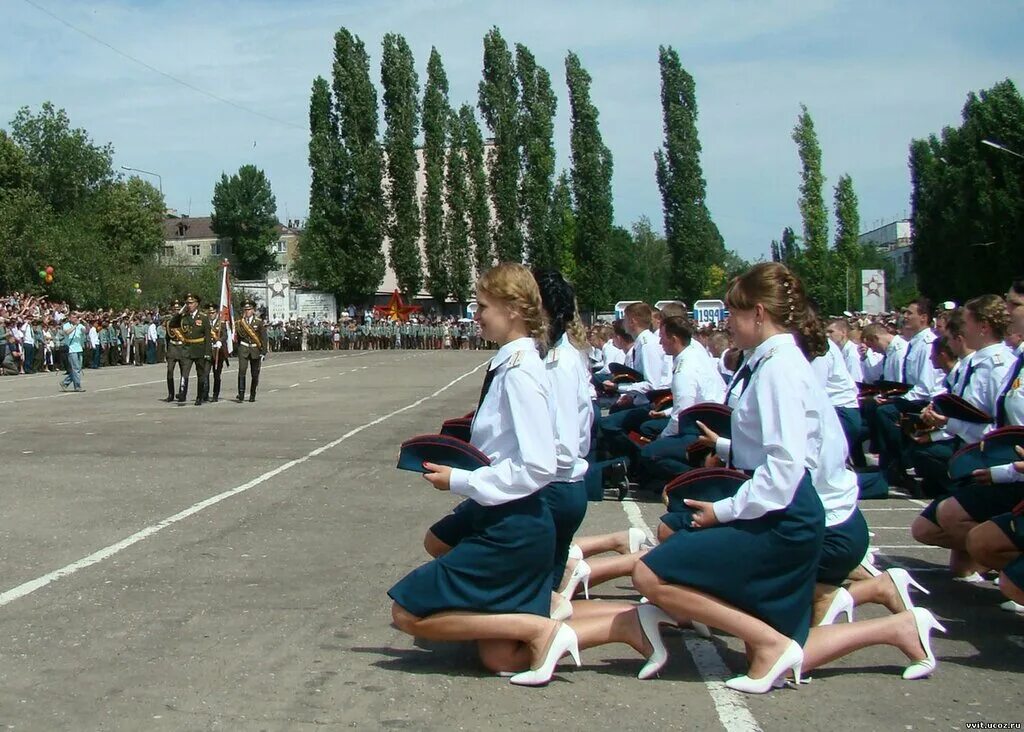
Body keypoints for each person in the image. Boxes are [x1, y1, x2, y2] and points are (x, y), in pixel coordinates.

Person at [630, 262, 828, 692]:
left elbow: (784, 467)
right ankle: (899, 628)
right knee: (789, 642)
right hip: (779, 503)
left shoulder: (778, 368)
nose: (726, 324)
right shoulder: (776, 361)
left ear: (758, 313)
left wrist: (723, 511)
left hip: (782, 511)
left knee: (650, 574)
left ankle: (770, 643)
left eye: (733, 314)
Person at [389, 262, 571, 687]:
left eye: (483, 305)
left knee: (407, 611)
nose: (477, 314)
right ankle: (621, 624)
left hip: (513, 525)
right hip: (510, 517)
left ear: (511, 309)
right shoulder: (514, 365)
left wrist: (460, 480)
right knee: (499, 656)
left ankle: (539, 628)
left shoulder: (522, 372)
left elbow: (540, 464)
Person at [168, 293, 212, 406]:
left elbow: (207, 337)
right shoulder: (184, 316)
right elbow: (172, 324)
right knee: (185, 373)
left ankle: (199, 396)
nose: (189, 305)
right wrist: (179, 313)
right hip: (187, 348)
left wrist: (208, 353)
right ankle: (182, 394)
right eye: (187, 303)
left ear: (196, 304)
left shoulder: (203, 317)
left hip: (200, 348)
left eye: (191, 303)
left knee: (200, 374)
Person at [235, 301, 267, 403]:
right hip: (243, 348)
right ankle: (241, 393)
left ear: (253, 310)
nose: (247, 311)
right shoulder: (240, 322)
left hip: (255, 349)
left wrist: (263, 352)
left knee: (254, 373)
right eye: (245, 310)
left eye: (249, 310)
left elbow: (263, 338)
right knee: (242, 370)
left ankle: (252, 394)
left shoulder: (258, 322)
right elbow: (238, 335)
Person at [204, 304, 229, 402]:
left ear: (216, 313)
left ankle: (215, 394)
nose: (211, 314)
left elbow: (225, 335)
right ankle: (205, 394)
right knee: (205, 373)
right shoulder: (205, 322)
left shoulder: (221, 323)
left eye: (213, 313)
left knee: (216, 374)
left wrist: (220, 341)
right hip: (207, 350)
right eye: (209, 313)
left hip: (218, 351)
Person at [60, 312, 87, 392]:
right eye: (73, 317)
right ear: (69, 318)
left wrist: (85, 324)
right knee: (75, 368)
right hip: (72, 350)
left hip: (79, 348)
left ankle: (65, 382)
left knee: (78, 368)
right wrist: (75, 325)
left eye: (76, 317)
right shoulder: (66, 325)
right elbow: (67, 332)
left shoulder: (80, 325)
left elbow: (85, 331)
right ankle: (77, 386)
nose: (75, 318)